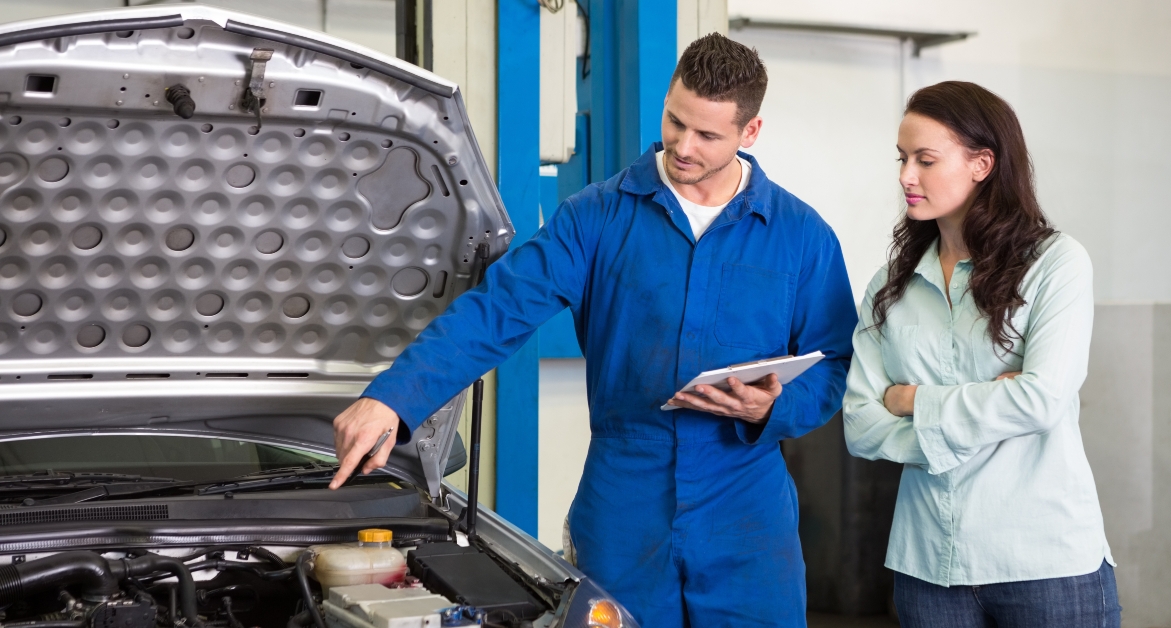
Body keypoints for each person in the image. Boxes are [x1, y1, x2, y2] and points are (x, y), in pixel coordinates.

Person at [328, 33, 856, 627]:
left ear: (750, 133)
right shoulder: (597, 217)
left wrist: (772, 408)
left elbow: (833, 361)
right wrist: (392, 397)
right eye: (675, 121)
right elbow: (500, 309)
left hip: (746, 507)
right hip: (625, 496)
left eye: (708, 135)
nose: (683, 146)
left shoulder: (802, 236)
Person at [842, 81, 1119, 627]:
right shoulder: (889, 286)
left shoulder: (1056, 264)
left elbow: (1041, 400)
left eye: (925, 159)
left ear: (982, 164)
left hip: (1043, 563)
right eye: (902, 159)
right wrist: (990, 405)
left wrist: (913, 399)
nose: (905, 176)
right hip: (927, 568)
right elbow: (859, 423)